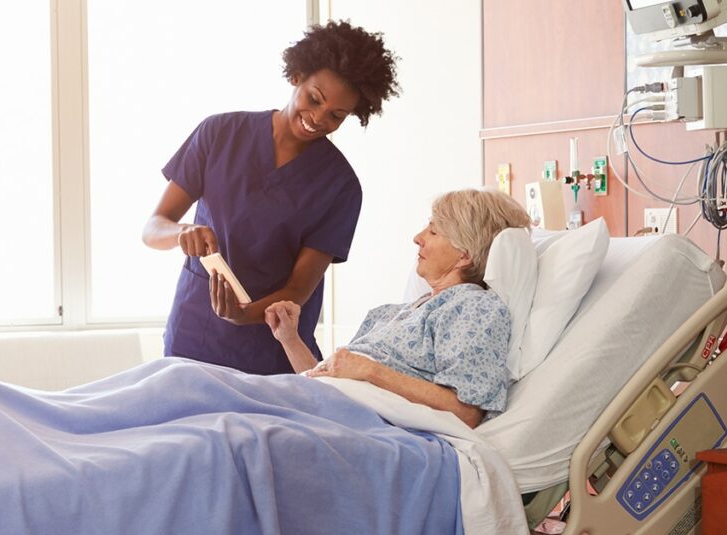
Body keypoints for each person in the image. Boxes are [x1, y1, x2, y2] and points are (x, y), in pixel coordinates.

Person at [142, 20, 400, 375]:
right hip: (195, 333)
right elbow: (153, 228)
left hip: (273, 347)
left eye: (336, 116)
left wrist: (244, 314)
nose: (317, 119)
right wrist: (182, 233)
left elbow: (298, 288)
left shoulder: (340, 186)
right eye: (314, 99)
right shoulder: (219, 134)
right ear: (297, 76)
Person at [265, 189, 532, 428]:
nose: (418, 238)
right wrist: (289, 339)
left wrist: (370, 371)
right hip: (322, 406)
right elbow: (327, 379)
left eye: (434, 231)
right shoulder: (390, 313)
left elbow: (465, 413)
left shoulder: (473, 308)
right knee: (224, 395)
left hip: (361, 427)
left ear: (465, 254)